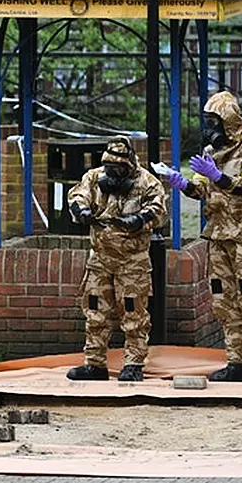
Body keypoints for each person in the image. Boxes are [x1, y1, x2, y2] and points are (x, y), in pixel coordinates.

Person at [164, 91, 242, 382]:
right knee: (224, 301)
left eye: (213, 121)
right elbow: (200, 190)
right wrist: (181, 183)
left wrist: (217, 176)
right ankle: (236, 363)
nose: (208, 128)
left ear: (227, 121)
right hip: (217, 236)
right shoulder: (210, 152)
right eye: (206, 122)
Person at [66, 135, 167, 381]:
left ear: (129, 165)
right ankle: (95, 363)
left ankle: (133, 364)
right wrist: (82, 211)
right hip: (99, 259)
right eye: (109, 167)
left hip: (132, 262)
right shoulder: (93, 178)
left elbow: (159, 210)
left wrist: (141, 219)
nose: (112, 172)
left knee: (134, 314)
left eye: (117, 168)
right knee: (95, 312)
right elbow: (76, 196)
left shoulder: (147, 182)